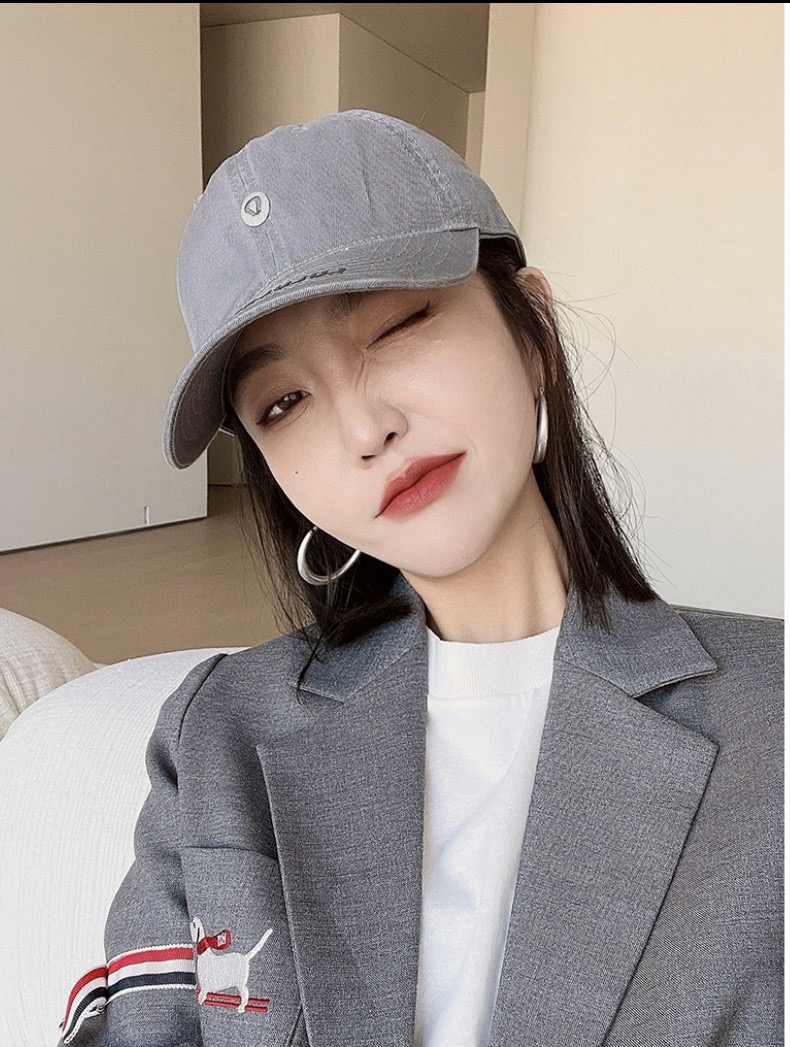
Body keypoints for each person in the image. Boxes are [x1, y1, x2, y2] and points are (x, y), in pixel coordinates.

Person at [58, 110, 782, 1047]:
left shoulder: (772, 715)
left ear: (533, 332)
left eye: (397, 325)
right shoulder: (218, 732)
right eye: (284, 402)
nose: (366, 430)